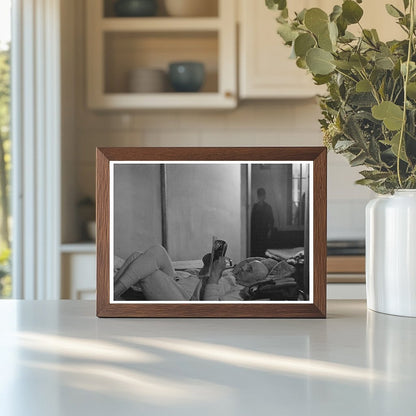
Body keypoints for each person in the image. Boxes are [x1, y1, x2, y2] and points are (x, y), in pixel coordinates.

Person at [114, 244, 296, 301]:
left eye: (249, 271)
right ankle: (112, 289)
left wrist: (214, 276)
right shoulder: (230, 272)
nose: (243, 267)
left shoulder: (238, 293)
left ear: (251, 283)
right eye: (247, 264)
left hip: (185, 302)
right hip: (178, 283)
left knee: (150, 272)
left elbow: (210, 308)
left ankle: (113, 295)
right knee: (152, 252)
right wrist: (206, 267)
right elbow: (197, 278)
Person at [250, 188, 274, 257]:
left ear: (264, 196)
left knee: (264, 251)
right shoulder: (255, 207)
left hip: (264, 232)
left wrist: (269, 231)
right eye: (260, 195)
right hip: (256, 233)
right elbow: (252, 220)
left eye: (262, 195)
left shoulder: (268, 207)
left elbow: (271, 220)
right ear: (258, 196)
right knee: (256, 251)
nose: (261, 197)